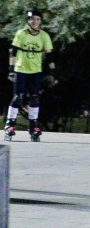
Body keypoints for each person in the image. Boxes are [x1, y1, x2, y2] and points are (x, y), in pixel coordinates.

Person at [5, 9, 56, 142]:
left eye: (37, 19)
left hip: (35, 70)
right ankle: (10, 124)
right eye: (32, 19)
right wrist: (11, 70)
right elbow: (13, 52)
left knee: (34, 98)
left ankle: (33, 126)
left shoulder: (44, 36)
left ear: (40, 21)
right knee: (17, 97)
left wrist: (53, 74)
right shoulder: (21, 33)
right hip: (20, 69)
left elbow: (50, 56)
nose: (34, 21)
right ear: (28, 21)